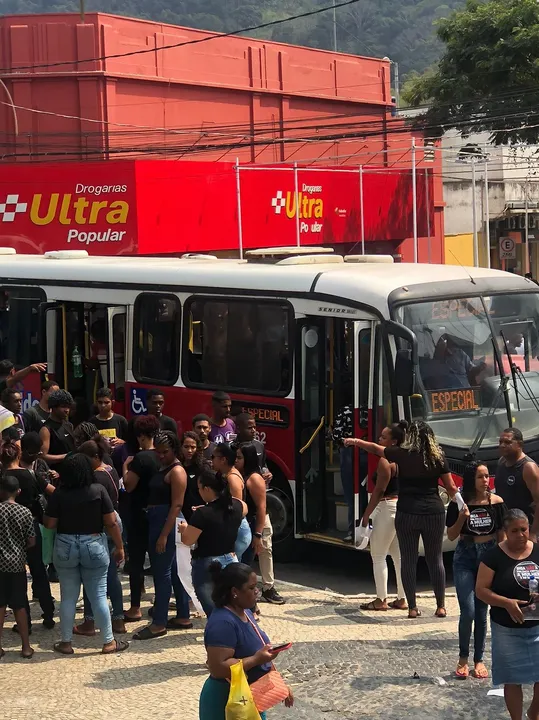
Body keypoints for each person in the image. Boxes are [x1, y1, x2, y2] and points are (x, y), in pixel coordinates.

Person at [346, 421, 457, 618]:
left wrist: (355, 441)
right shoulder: (438, 457)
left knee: (408, 558)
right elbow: (451, 487)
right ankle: (441, 606)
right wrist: (462, 504)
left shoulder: (401, 455)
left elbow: (374, 448)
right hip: (434, 511)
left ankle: (412, 608)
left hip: (408, 511)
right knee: (435, 559)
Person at [43, 453, 128, 655]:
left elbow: (49, 524)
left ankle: (66, 642)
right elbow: (111, 522)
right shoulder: (97, 490)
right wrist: (120, 546)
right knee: (98, 595)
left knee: (68, 597)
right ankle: (108, 641)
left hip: (65, 545)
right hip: (94, 544)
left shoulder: (60, 494)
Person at [199, 562, 294, 720]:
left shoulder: (245, 612)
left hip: (250, 696)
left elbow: (259, 648)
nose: (257, 591)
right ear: (235, 592)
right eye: (251, 588)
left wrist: (279, 682)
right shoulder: (222, 623)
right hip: (227, 700)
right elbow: (218, 668)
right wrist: (256, 659)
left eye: (256, 586)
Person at [476, 509, 539, 719]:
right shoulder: (493, 556)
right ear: (505, 532)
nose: (520, 535)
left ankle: (534, 712)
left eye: (524, 529)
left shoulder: (537, 551)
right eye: (515, 531)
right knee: (512, 678)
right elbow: (481, 590)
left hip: (537, 626)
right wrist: (507, 604)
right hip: (507, 629)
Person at [447, 462, 507, 679]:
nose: (485, 481)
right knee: (468, 610)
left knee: (482, 613)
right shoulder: (459, 503)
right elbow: (452, 535)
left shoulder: (497, 503)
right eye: (480, 477)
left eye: (487, 476)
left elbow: (502, 536)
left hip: (489, 557)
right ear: (471, 480)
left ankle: (478, 660)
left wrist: (504, 564)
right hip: (465, 556)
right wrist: (462, 516)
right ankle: (463, 658)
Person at [133, 431, 192, 639]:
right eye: (158, 452)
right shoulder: (165, 467)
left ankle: (159, 622)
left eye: (165, 452)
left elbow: (177, 505)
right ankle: (182, 614)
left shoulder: (176, 471)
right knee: (174, 570)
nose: (160, 455)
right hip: (162, 519)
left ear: (174, 450)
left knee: (162, 572)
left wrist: (164, 535)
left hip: (167, 521)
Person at [1, 435, 56, 633]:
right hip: (30, 524)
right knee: (38, 570)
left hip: (6, 528)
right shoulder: (30, 475)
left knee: (17, 575)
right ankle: (48, 614)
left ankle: (25, 622)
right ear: (20, 453)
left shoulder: (2, 476)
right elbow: (52, 491)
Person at [354, 422, 407, 612]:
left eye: (383, 437)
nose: (379, 439)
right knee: (398, 557)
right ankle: (402, 598)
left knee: (378, 555)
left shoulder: (385, 461)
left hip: (386, 508)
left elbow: (378, 492)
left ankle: (381, 599)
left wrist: (366, 515)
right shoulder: (404, 458)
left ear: (393, 441)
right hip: (400, 507)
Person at [74, 440, 125, 636]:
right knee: (112, 576)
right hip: (115, 524)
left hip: (103, 527)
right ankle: (118, 618)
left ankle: (89, 621)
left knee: (91, 576)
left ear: (95, 457)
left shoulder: (94, 477)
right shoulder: (110, 470)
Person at [178, 469, 245, 616]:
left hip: (206, 563)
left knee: (213, 609)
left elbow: (188, 540)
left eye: (199, 489)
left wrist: (184, 529)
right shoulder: (236, 506)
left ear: (207, 489)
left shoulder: (201, 514)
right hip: (230, 558)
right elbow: (243, 507)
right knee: (232, 605)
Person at [123, 414, 161, 622]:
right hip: (158, 514)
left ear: (140, 436)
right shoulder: (164, 456)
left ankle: (135, 607)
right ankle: (159, 604)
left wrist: (126, 466)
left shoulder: (140, 459)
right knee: (159, 563)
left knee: (136, 562)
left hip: (139, 514)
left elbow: (129, 485)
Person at [236, 443, 285, 605]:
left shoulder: (254, 478)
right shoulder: (240, 474)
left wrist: (257, 533)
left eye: (239, 458)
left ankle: (267, 588)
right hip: (248, 522)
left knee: (264, 549)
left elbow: (262, 507)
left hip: (259, 521)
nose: (236, 461)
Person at [0, 474, 35, 659]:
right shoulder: (25, 512)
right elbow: (31, 540)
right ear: (18, 491)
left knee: (0, 605)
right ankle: (26, 647)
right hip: (17, 564)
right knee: (20, 606)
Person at [495, 428, 539, 538]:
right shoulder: (501, 462)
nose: (502, 445)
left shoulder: (528, 467)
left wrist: (533, 533)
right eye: (500, 442)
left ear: (519, 444)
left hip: (524, 530)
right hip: (507, 529)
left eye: (507, 442)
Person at [212, 443, 252, 559]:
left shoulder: (232, 478)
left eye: (213, 457)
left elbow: (236, 511)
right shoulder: (225, 475)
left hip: (237, 531)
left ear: (223, 460)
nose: (211, 461)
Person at [331, 401, 355, 542]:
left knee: (351, 493)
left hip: (349, 454)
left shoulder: (345, 410)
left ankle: (352, 530)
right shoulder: (377, 406)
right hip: (368, 452)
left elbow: (336, 435)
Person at [39, 389, 76, 468]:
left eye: (68, 407)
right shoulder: (46, 429)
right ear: (53, 407)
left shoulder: (69, 425)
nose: (67, 410)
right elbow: (42, 456)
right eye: (63, 406)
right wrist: (66, 456)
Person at [235, 413, 272, 484]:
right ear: (239, 429)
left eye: (254, 427)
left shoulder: (259, 445)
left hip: (256, 485)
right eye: (249, 428)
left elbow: (263, 465)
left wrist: (267, 473)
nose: (253, 430)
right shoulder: (231, 447)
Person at [180, 431, 206, 522]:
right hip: (180, 514)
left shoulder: (203, 468)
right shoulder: (177, 467)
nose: (189, 450)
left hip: (198, 515)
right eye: (186, 447)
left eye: (193, 447)